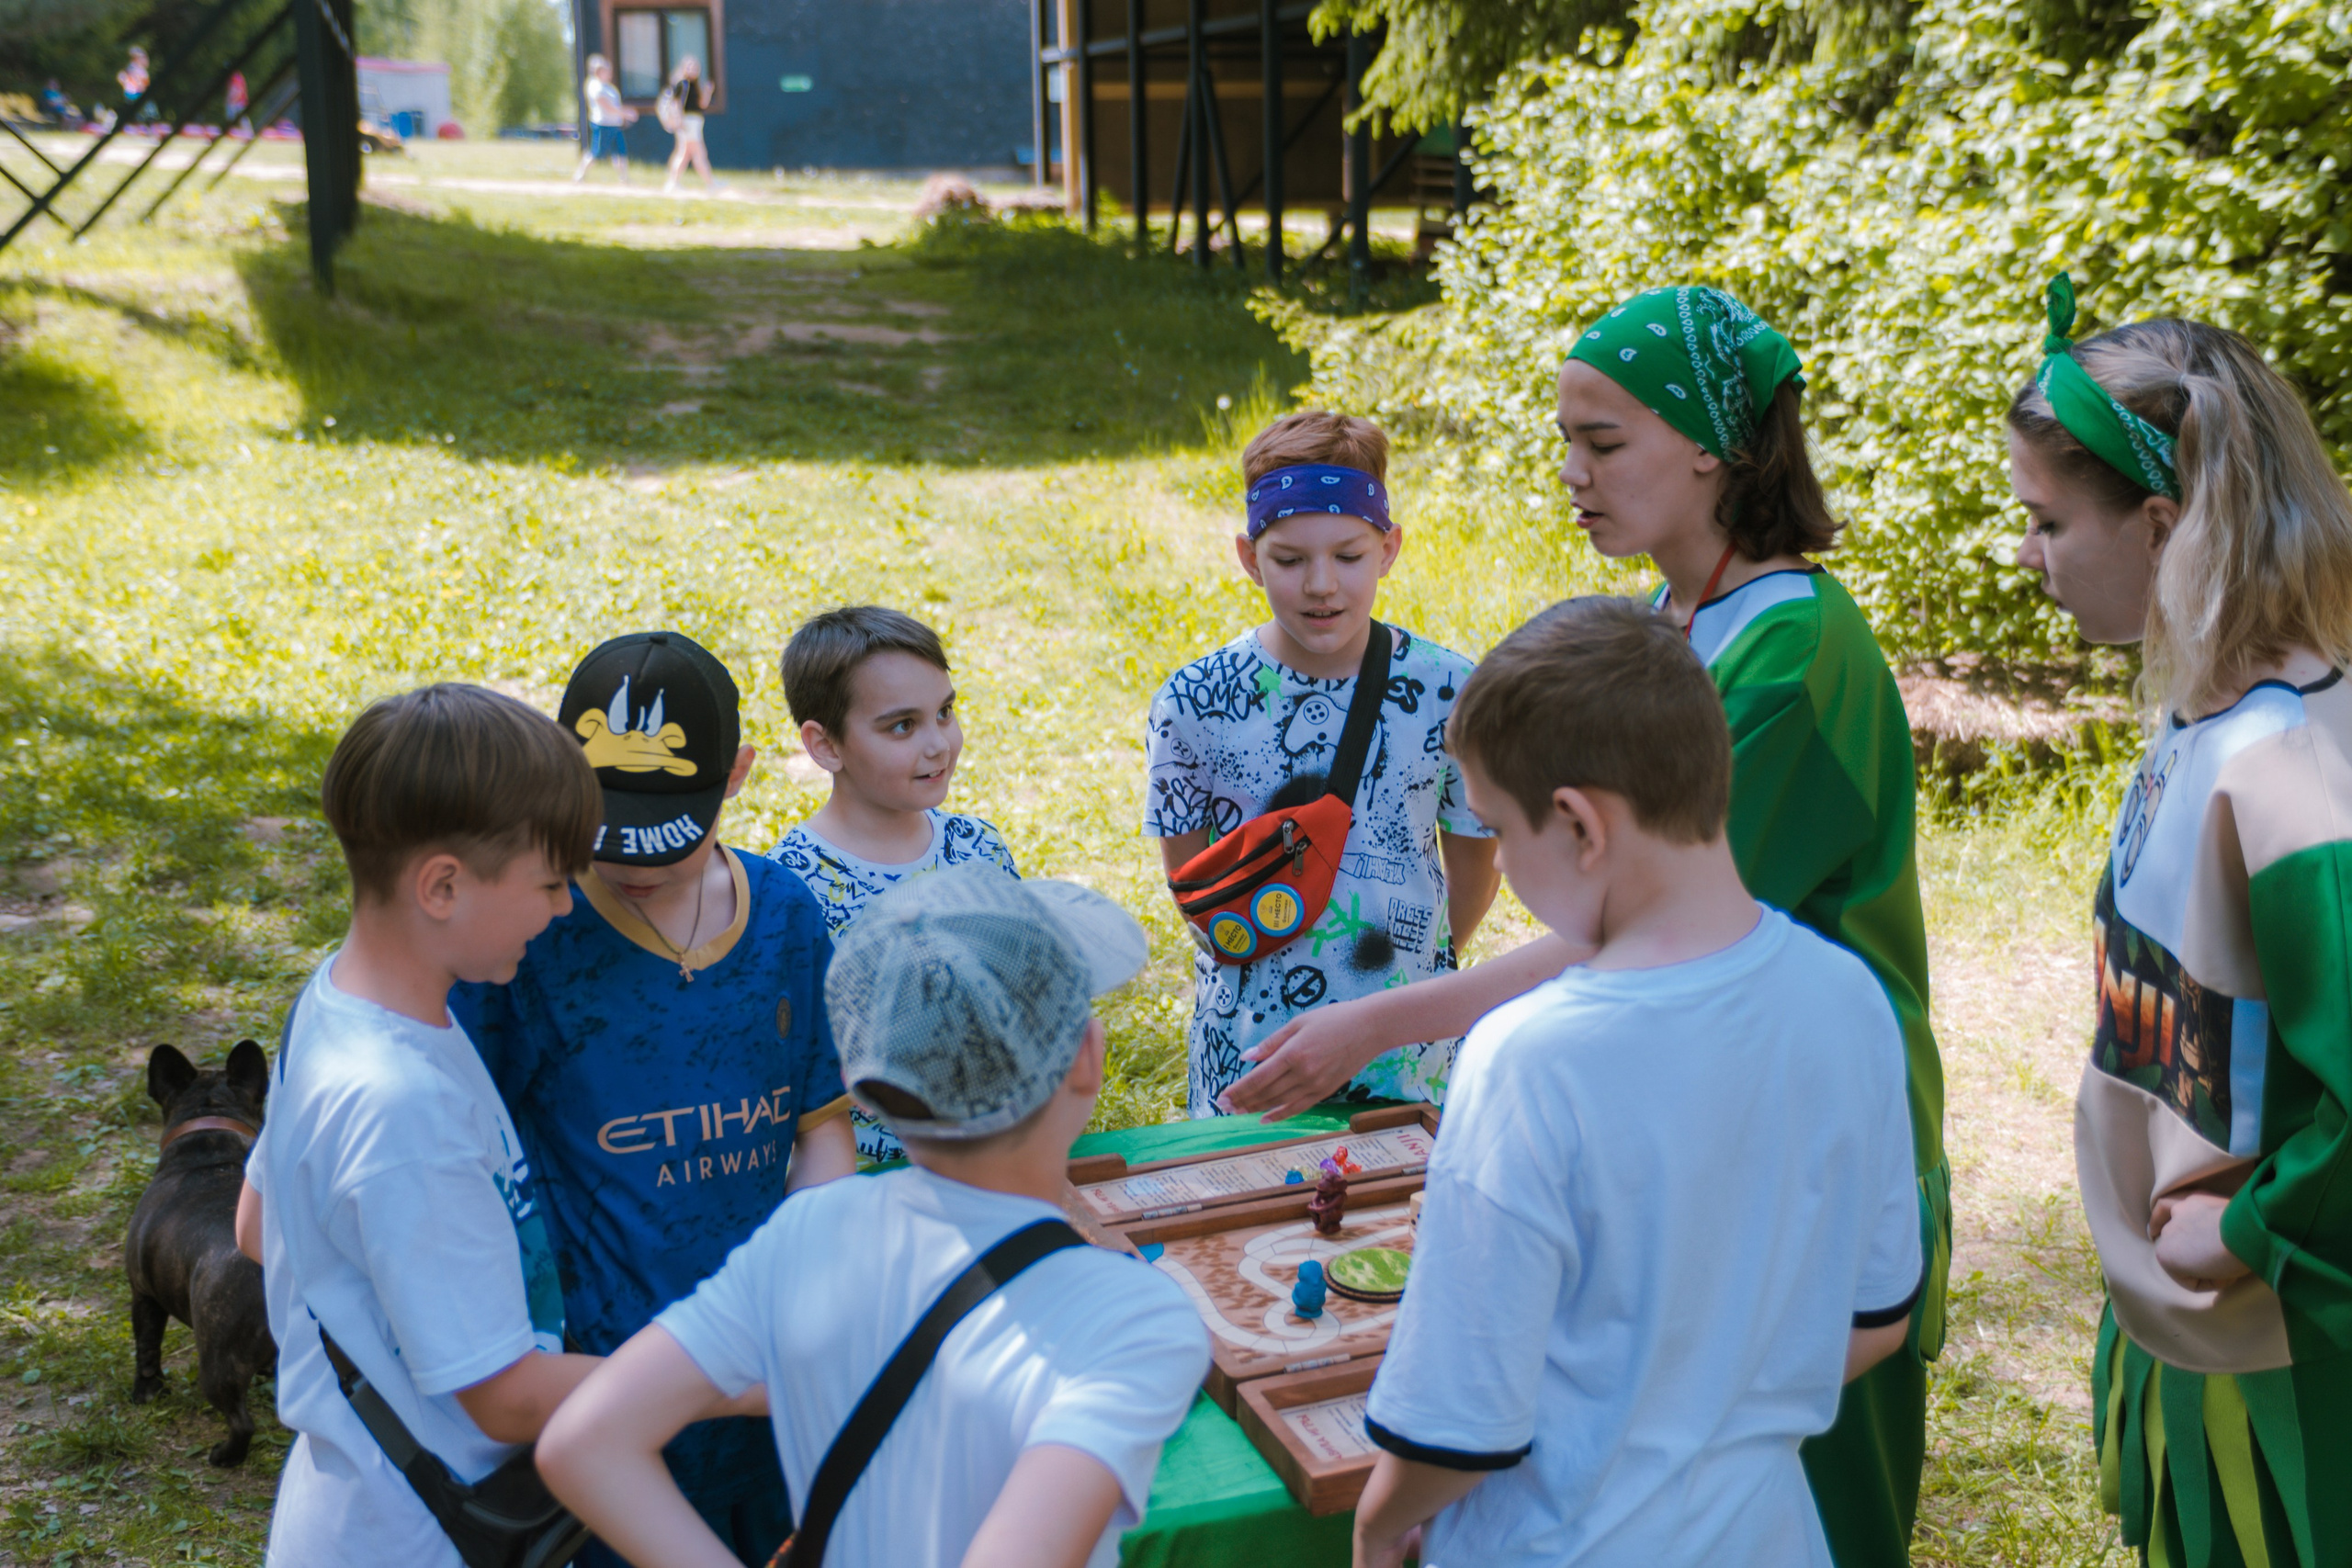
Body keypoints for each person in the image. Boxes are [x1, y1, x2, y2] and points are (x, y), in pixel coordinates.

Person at [1227, 288, 1948, 1567]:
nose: (1573, 473)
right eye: (1567, 439)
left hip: (1779, 1132)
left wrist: (1383, 1016)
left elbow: (1643, 918)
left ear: (1717, 447)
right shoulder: (1674, 624)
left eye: (1604, 443)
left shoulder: (1795, 650)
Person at [1351, 597, 1924, 1568]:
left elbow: (1455, 1423)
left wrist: (1374, 1531)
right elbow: (1875, 1318)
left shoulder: (1529, 1056)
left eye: (1496, 828)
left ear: (1576, 824)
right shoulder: (1848, 997)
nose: (1506, 870)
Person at [537, 864, 1211, 1568]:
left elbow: (584, 1440)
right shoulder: (1136, 1317)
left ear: (865, 1089)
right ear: (1086, 1060)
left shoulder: (806, 1232)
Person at [2010, 275, 2352, 1567]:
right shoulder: (2200, 721)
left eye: (2046, 520)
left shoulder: (2293, 766)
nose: (2025, 554)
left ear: (2161, 526)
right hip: (2189, 1332)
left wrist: (2249, 1225)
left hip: (2275, 1357)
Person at [448, 631, 857, 1568]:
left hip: (771, 1387)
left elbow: (822, 1133)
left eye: (669, 831)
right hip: (601, 1399)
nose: (633, 863)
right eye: (605, 827)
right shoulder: (529, 939)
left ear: (740, 775)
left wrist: (804, 1296)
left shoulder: (786, 914)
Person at [231, 685, 608, 1567]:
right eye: (550, 883)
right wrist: (730, 1379)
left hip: (350, 1501)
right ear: (442, 884)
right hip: (417, 1534)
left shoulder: (337, 999)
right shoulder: (404, 1108)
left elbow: (257, 1229)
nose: (562, 910)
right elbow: (507, 1400)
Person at [1144, 410, 1500, 1119]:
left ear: (1389, 549)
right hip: (1251, 1051)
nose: (1321, 585)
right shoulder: (1191, 702)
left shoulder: (1451, 690)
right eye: (1289, 559)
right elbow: (1190, 883)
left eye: (1348, 555)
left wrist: (1402, 978)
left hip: (1403, 1048)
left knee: (1394, 1221)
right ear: (1249, 557)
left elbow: (1475, 869)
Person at [767, 604, 1020, 1166]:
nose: (938, 745)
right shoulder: (789, 889)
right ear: (826, 745)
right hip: (872, 1183)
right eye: (903, 726)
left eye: (945, 713)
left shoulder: (980, 848)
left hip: (1000, 1159)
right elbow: (791, 1065)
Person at [573, 54, 634, 182]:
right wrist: (625, 114)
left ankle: (624, 178)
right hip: (603, 125)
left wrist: (622, 116)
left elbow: (616, 105)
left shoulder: (609, 87)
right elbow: (606, 106)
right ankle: (580, 174)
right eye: (606, 70)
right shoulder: (595, 86)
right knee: (596, 153)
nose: (610, 73)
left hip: (614, 124)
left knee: (620, 151)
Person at [660, 58, 713, 196]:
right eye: (690, 67)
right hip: (688, 122)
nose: (693, 70)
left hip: (695, 121)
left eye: (695, 67)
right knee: (696, 153)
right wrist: (679, 120)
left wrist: (707, 92)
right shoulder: (682, 84)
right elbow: (676, 103)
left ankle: (673, 182)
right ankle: (710, 183)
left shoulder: (695, 85)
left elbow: (702, 105)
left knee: (686, 154)